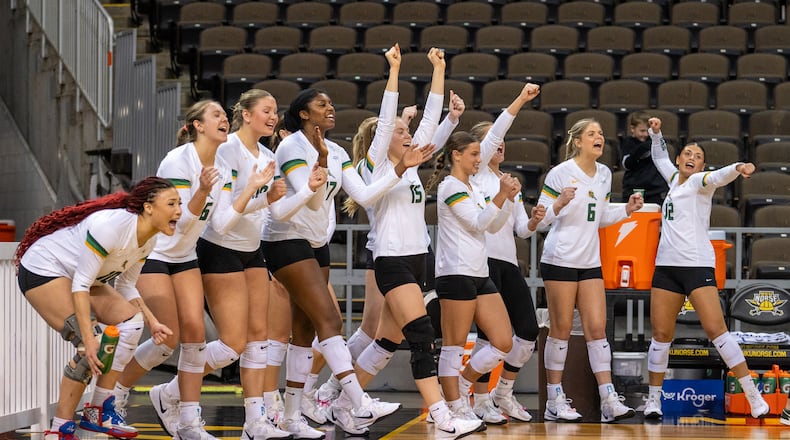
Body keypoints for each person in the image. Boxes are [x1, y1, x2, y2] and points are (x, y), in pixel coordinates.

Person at [261, 67, 432, 437]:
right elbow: (307, 201)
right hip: (284, 239)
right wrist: (320, 162)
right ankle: (358, 401)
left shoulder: (337, 150)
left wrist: (401, 167)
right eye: (322, 105)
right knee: (331, 322)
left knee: (304, 331)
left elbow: (366, 196)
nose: (331, 109)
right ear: (304, 113)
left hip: (316, 244)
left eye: (332, 104)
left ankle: (291, 416)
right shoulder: (291, 146)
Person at [340, 47, 486, 440]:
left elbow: (432, 119)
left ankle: (338, 401)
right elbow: (388, 117)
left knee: (387, 339)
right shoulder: (376, 165)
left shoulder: (410, 163)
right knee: (423, 335)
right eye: (401, 133)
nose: (409, 134)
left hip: (419, 259)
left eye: (408, 132)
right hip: (392, 261)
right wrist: (395, 70)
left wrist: (439, 70)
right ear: (383, 140)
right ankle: (442, 416)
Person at [116, 100, 277, 440]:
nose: (224, 119)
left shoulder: (221, 164)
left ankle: (189, 423)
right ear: (198, 125)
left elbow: (219, 220)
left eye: (224, 114)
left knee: (196, 340)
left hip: (186, 256)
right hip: (155, 252)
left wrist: (261, 194)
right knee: (167, 341)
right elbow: (175, 222)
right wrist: (203, 191)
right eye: (216, 114)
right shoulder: (178, 161)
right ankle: (116, 392)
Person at [196, 88, 319, 440]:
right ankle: (177, 389)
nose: (273, 116)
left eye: (275, 110)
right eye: (266, 110)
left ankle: (256, 422)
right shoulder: (226, 150)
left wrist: (304, 190)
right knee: (233, 344)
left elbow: (275, 210)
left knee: (259, 340)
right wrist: (255, 190)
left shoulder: (267, 153)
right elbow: (220, 222)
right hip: (219, 249)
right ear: (246, 114)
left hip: (252, 250)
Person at [15, 177, 178, 440]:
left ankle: (97, 413)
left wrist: (152, 320)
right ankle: (58, 430)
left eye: (179, 204)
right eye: (171, 203)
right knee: (88, 345)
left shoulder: (149, 240)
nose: (179, 211)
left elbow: (126, 286)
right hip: (45, 269)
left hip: (83, 279)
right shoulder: (111, 226)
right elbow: (80, 284)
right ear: (148, 207)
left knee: (132, 323)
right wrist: (89, 338)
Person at [642, 117, 769, 420]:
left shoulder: (701, 183)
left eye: (698, 157)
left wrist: (738, 168)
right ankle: (653, 401)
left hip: (696, 265)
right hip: (666, 267)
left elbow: (718, 177)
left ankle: (752, 395)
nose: (692, 159)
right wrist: (656, 132)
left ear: (701, 166)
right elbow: (659, 155)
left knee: (716, 330)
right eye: (688, 154)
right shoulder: (673, 179)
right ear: (679, 159)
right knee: (661, 334)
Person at [538, 118, 643, 423]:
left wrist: (626, 210)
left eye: (601, 133)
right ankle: (554, 400)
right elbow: (541, 219)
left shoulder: (605, 174)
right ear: (578, 141)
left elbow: (600, 217)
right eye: (592, 134)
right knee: (560, 330)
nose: (599, 137)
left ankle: (608, 399)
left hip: (589, 261)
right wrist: (559, 203)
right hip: (560, 259)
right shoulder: (561, 173)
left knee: (596, 329)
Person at [465, 84, 546, 424]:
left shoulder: (509, 181)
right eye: (492, 141)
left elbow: (521, 231)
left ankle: (503, 393)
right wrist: (522, 100)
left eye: (500, 142)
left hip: (509, 264)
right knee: (488, 338)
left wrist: (537, 219)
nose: (500, 144)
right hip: (483, 264)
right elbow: (500, 126)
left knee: (527, 332)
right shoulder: (479, 177)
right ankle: (480, 399)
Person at [621, 111, 668, 204]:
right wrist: (640, 150)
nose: (646, 134)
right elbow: (626, 164)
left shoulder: (654, 142)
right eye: (642, 131)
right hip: (633, 190)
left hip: (654, 191)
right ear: (632, 129)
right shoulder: (627, 142)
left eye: (648, 131)